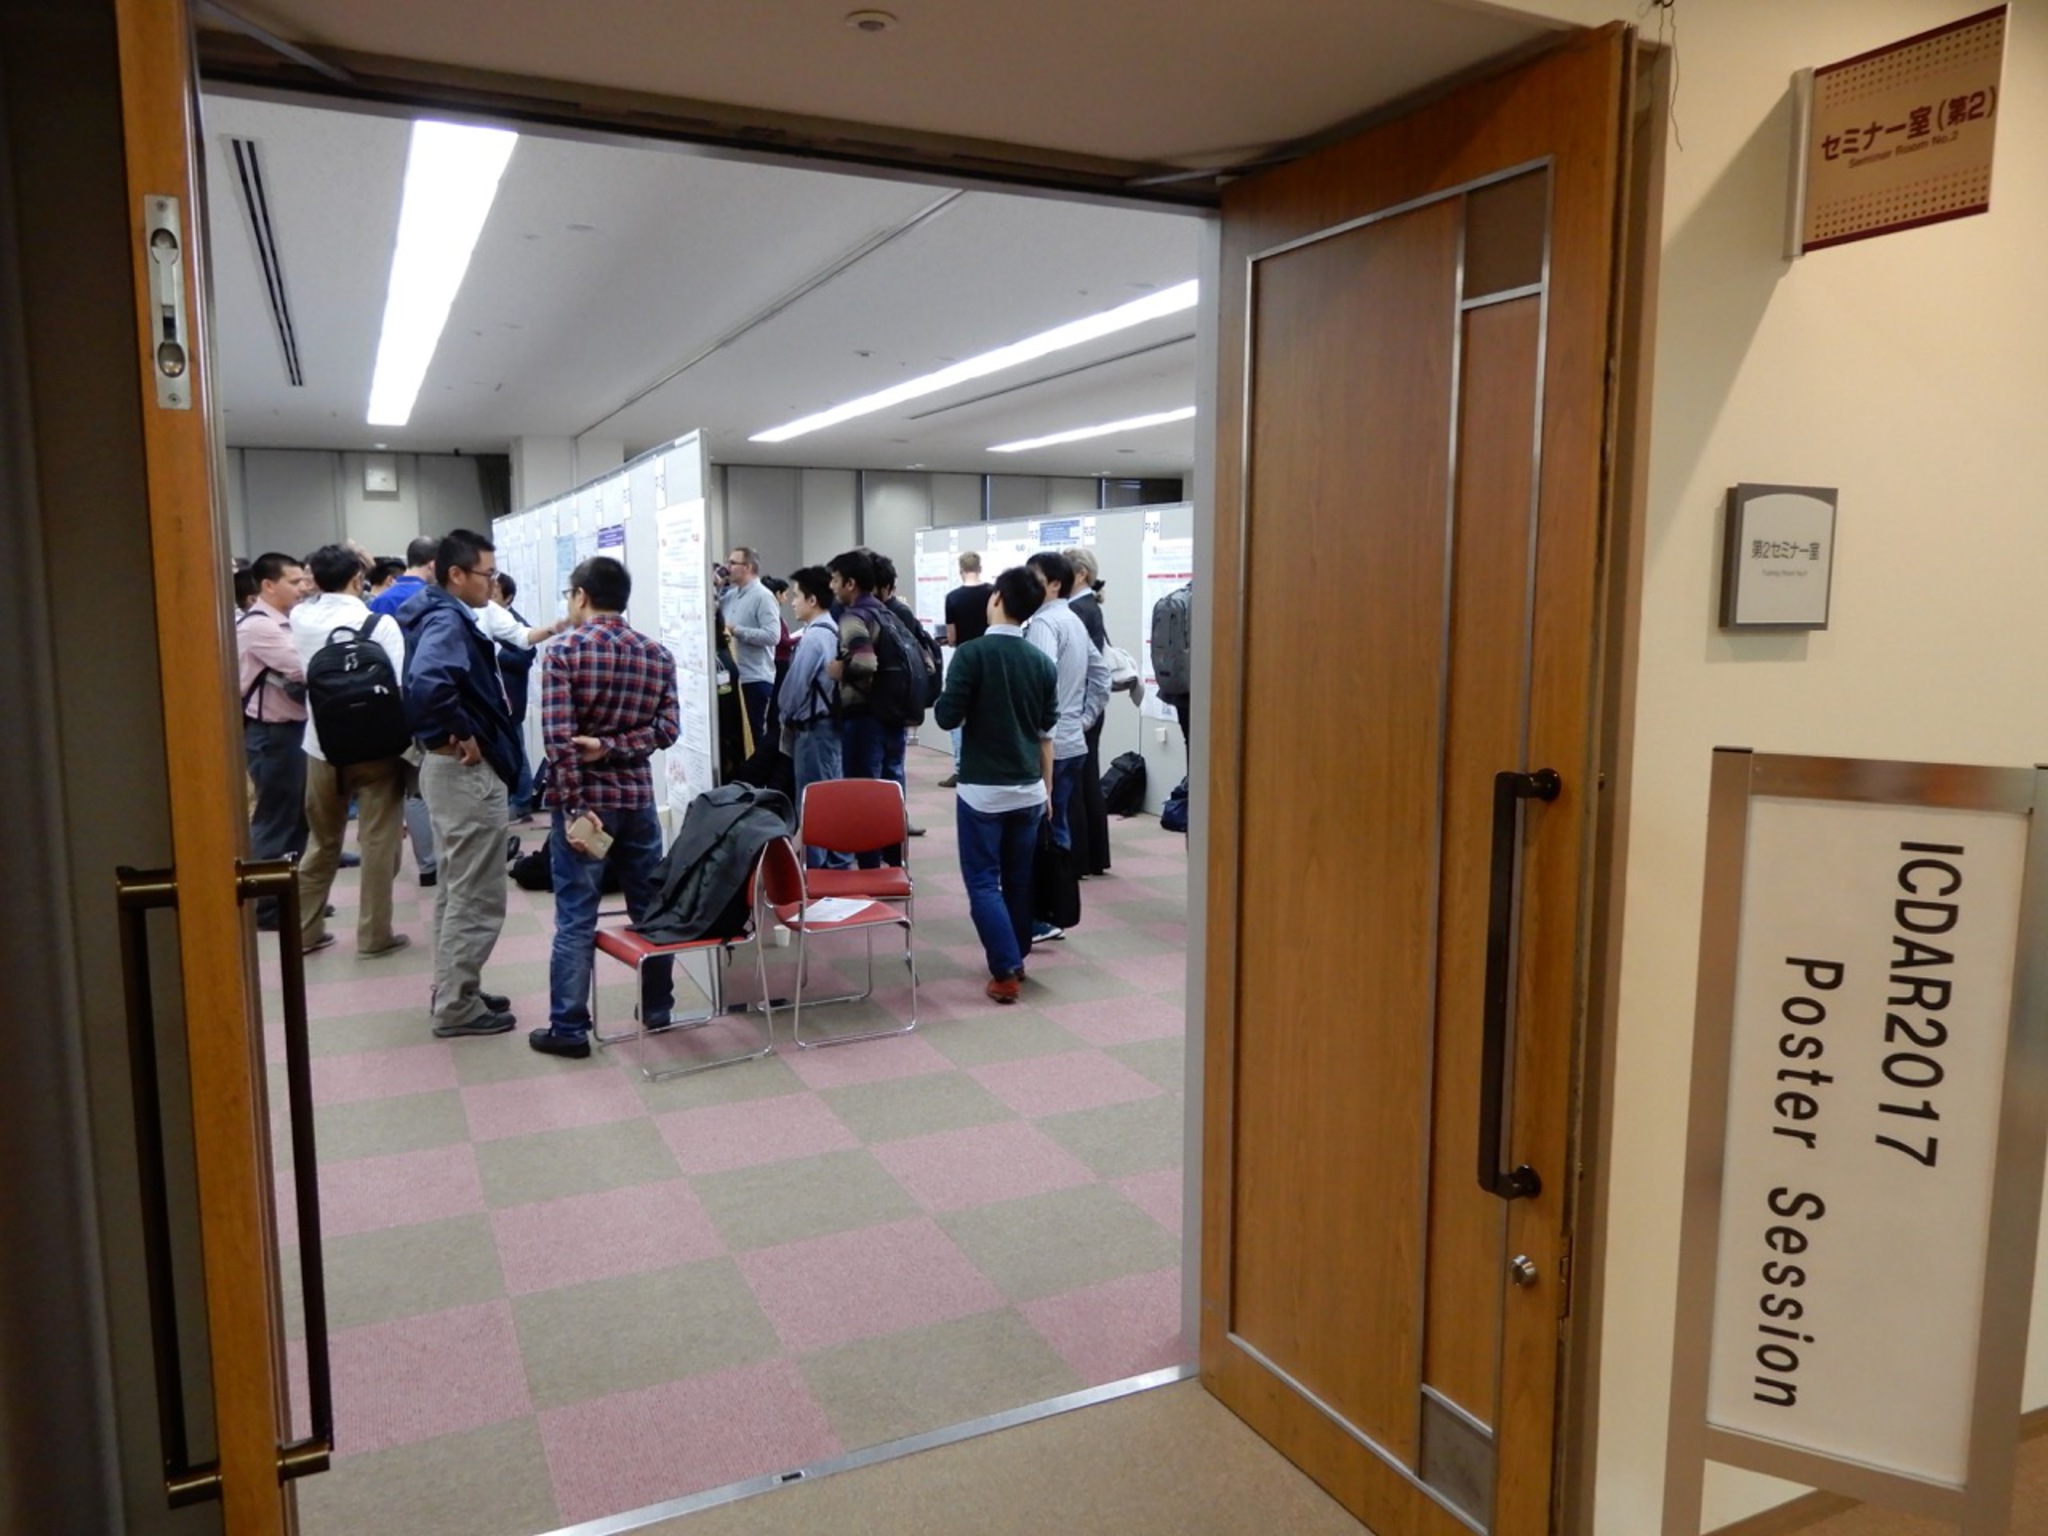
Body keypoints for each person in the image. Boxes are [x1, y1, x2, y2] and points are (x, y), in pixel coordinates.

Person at [530, 555, 680, 1059]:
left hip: (585, 805)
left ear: (580, 595)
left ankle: (569, 1027)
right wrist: (616, 746)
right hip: (637, 799)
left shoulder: (562, 651)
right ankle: (657, 1008)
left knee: (576, 914)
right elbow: (668, 730)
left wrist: (575, 804)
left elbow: (558, 740)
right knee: (650, 908)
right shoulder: (656, 654)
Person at [398, 530, 522, 1039]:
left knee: (457, 888)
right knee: (476, 893)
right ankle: (456, 1005)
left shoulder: (432, 612)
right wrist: (464, 730)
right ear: (456, 574)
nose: (493, 584)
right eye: (487, 575)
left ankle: (456, 988)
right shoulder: (447, 620)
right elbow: (429, 683)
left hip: (446, 770)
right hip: (464, 772)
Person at [933, 566, 1057, 1005]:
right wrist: (1048, 792)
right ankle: (1016, 958)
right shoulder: (1041, 662)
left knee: (983, 882)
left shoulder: (971, 654)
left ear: (998, 599)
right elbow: (1046, 734)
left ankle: (1004, 971)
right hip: (1029, 789)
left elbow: (946, 716)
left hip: (982, 790)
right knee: (1018, 879)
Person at [289, 543, 410, 958]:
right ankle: (375, 936)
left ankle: (305, 931)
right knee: (378, 843)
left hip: (321, 747)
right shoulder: (380, 624)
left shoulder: (300, 618)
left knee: (322, 841)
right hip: (378, 751)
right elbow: (399, 687)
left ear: (314, 580)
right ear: (358, 579)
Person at [1023, 549, 1110, 941]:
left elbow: (1038, 684)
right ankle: (1058, 909)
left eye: (1035, 578)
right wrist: (1084, 718)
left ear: (1055, 584)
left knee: (1037, 831)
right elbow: (1102, 674)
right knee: (1058, 828)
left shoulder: (1044, 623)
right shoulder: (1073, 618)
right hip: (1072, 741)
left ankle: (1040, 915)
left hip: (1049, 744)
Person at [237, 551, 311, 929]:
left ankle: (287, 899)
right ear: (268, 585)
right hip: (272, 734)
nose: (302, 588)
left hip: (290, 731)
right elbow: (302, 667)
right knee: (276, 819)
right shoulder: (259, 627)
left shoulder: (284, 622)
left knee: (297, 817)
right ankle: (266, 906)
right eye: (293, 582)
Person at [375, 536, 445, 886]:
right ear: (433, 564)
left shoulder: (379, 601)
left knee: (408, 790)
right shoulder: (433, 599)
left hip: (386, 706)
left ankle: (427, 864)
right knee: (431, 786)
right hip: (424, 704)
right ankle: (440, 862)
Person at [825, 547, 896, 864]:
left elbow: (865, 662)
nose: (832, 586)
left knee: (862, 794)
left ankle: (868, 868)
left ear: (850, 583)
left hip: (864, 716)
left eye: (835, 579)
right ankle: (891, 860)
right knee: (885, 791)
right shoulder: (885, 611)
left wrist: (841, 669)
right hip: (890, 713)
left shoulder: (854, 616)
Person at [777, 566, 848, 867]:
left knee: (811, 800)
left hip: (813, 729)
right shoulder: (834, 631)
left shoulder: (814, 638)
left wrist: (784, 715)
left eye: (797, 596)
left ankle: (815, 866)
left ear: (812, 600)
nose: (793, 602)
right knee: (831, 794)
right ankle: (837, 860)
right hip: (831, 726)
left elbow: (795, 688)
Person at [1064, 546, 1113, 878]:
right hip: (1088, 704)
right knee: (1087, 779)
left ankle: (1081, 857)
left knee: (1077, 784)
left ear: (1080, 574)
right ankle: (1094, 856)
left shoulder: (1079, 610)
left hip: (1081, 706)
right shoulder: (1088, 607)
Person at [719, 545, 780, 753]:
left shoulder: (763, 596)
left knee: (755, 737)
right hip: (732, 678)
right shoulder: (730, 596)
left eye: (732, 563)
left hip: (754, 678)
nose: (727, 568)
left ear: (748, 567)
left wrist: (737, 630)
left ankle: (758, 774)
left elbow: (772, 636)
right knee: (735, 738)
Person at [939, 550, 990, 788]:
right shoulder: (992, 593)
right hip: (989, 658)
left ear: (960, 570)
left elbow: (952, 637)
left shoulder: (953, 598)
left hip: (963, 659)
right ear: (980, 568)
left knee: (959, 711)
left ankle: (961, 767)